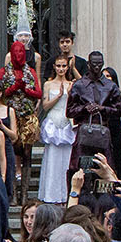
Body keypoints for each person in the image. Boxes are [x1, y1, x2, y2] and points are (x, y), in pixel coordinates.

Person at [0, 40, 43, 201]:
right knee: (11, 153)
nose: (18, 55)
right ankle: (13, 193)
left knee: (27, 154)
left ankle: (24, 194)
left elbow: (39, 92)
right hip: (11, 117)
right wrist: (14, 87)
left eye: (21, 52)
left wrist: (26, 89)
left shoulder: (30, 71)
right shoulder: (4, 71)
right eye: (15, 52)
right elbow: (0, 92)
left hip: (28, 117)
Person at [66, 51, 121, 175]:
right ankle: (81, 192)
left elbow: (118, 111)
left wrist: (102, 109)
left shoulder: (111, 86)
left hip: (103, 132)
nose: (97, 67)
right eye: (94, 64)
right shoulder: (79, 85)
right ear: (88, 64)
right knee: (81, 170)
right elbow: (69, 111)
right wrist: (85, 108)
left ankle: (103, 194)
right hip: (84, 132)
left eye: (99, 64)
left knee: (105, 170)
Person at [40, 55, 77, 203]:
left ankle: (67, 194)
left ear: (67, 67)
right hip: (53, 120)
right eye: (58, 66)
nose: (61, 69)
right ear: (54, 67)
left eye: (63, 66)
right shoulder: (48, 84)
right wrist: (59, 96)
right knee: (53, 159)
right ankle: (51, 195)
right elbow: (45, 106)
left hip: (66, 121)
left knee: (67, 160)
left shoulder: (71, 84)